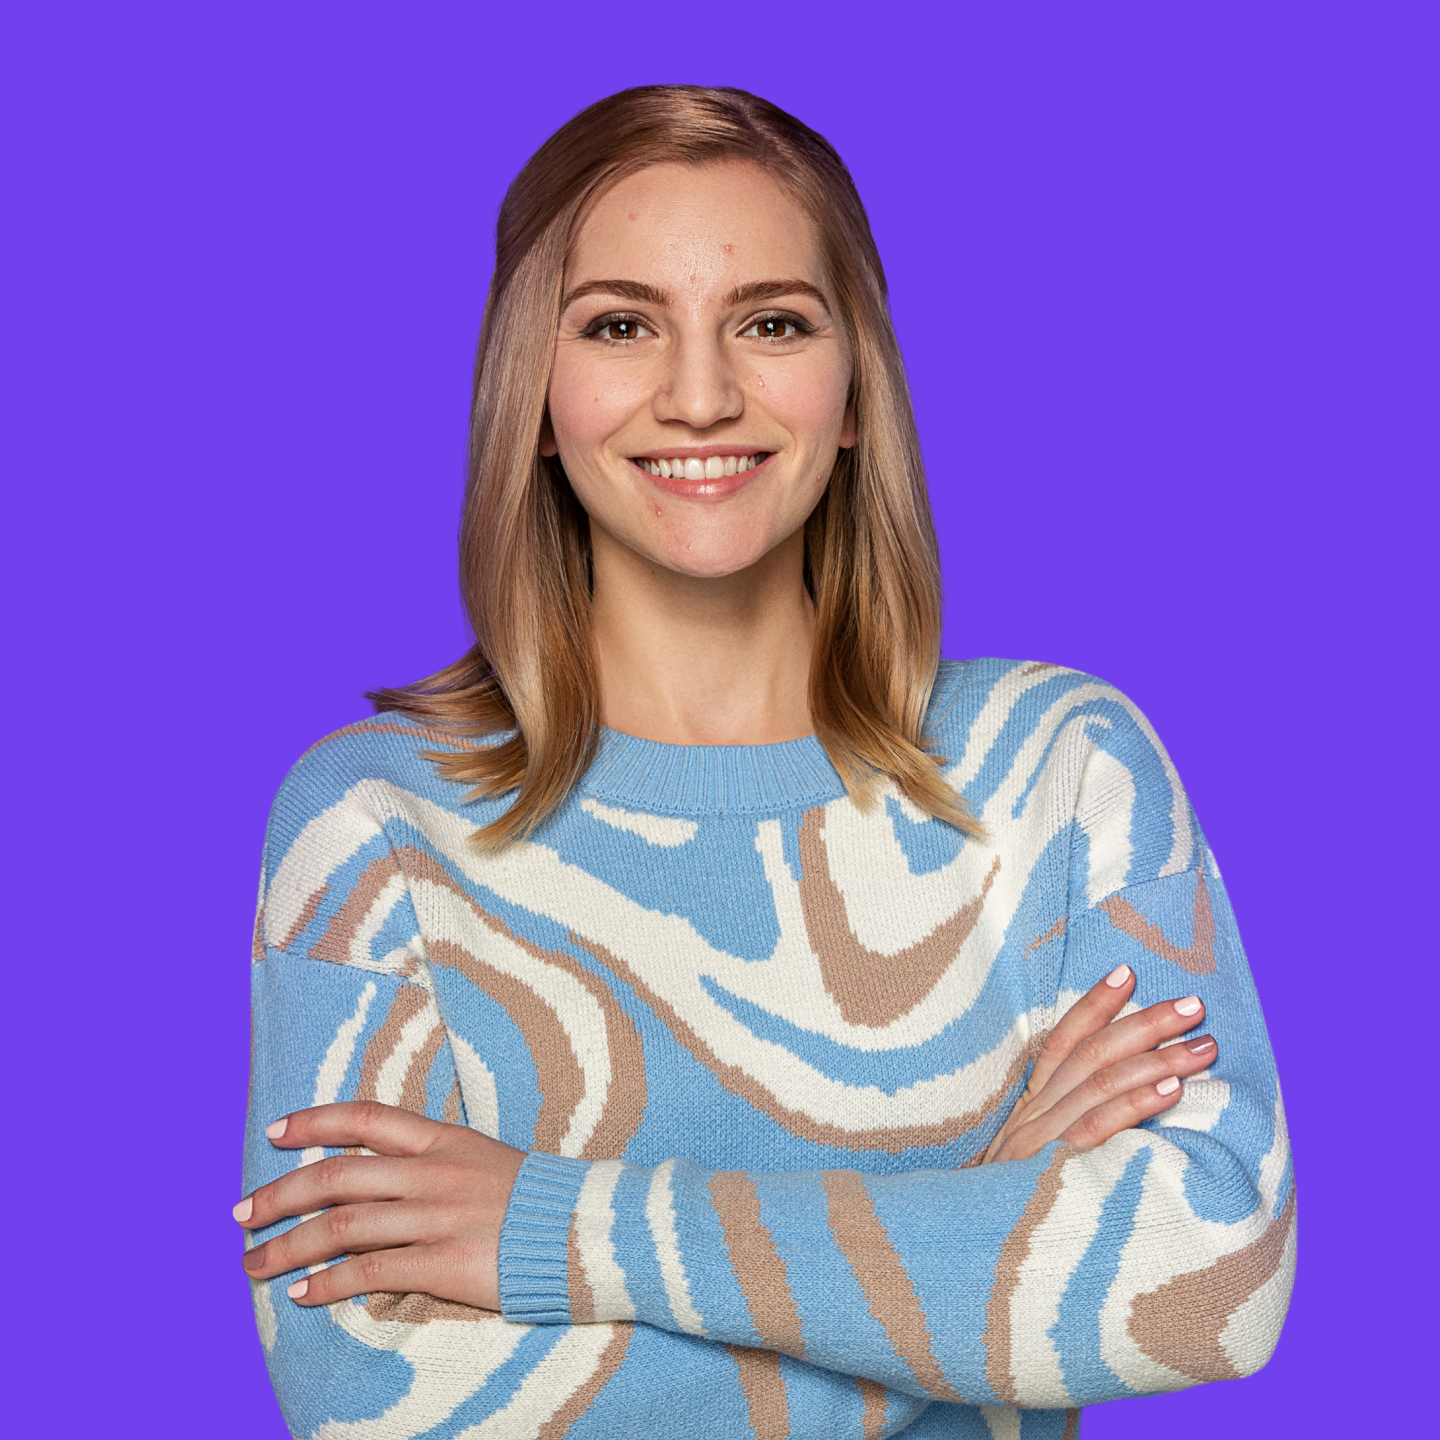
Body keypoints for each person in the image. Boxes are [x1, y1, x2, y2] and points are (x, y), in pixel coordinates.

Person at [236, 86, 1294, 1440]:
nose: (699, 394)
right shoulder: (374, 824)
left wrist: (551, 1230)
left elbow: (1211, 1282)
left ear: (854, 391)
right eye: (620, 324)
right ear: (536, 398)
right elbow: (368, 1401)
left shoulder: (1057, 771)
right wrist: (981, 1236)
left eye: (772, 323)